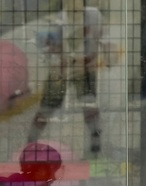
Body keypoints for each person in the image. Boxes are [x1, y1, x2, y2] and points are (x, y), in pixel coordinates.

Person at [27, 6, 105, 154]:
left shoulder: (93, 15)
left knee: (88, 103)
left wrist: (86, 61)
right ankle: (31, 141)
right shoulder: (59, 18)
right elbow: (50, 46)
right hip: (62, 65)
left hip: (81, 65)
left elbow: (96, 41)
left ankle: (96, 144)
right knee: (48, 106)